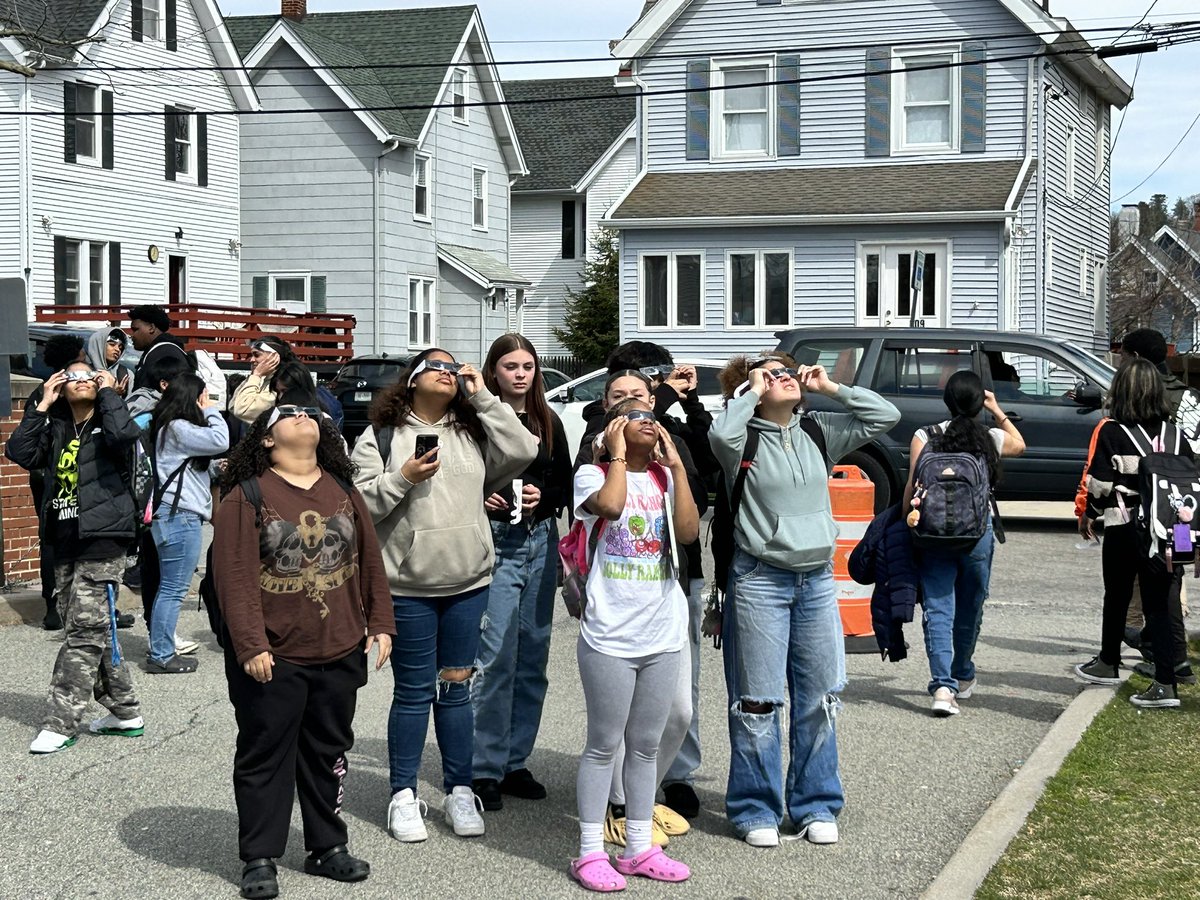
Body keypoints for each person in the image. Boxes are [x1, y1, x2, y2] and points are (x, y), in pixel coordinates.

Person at [710, 353, 900, 847]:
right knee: (757, 702)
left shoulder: (818, 432)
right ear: (752, 385)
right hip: (758, 579)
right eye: (770, 373)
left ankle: (815, 804)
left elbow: (885, 416)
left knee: (820, 696)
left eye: (787, 371)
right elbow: (718, 437)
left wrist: (832, 388)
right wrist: (749, 390)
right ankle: (756, 808)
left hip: (815, 580)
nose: (784, 378)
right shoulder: (742, 437)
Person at [351, 348, 537, 842]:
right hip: (408, 585)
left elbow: (524, 450)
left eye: (456, 369)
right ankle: (404, 795)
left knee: (457, 689)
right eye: (436, 366)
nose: (449, 373)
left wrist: (483, 398)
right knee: (413, 692)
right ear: (411, 380)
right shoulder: (381, 437)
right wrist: (403, 478)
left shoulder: (474, 429)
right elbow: (359, 504)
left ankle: (458, 789)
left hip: (468, 581)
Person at [214, 405, 394, 899]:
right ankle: (259, 856)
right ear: (267, 439)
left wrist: (380, 621)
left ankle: (326, 847)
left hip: (339, 648)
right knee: (265, 756)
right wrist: (250, 643)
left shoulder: (342, 488)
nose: (302, 416)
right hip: (274, 654)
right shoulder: (247, 496)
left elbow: (368, 560)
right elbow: (234, 576)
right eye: (287, 414)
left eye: (309, 412)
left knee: (329, 751)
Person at [569, 398, 698, 892]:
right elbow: (612, 506)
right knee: (604, 745)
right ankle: (589, 852)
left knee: (645, 747)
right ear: (614, 430)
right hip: (610, 633)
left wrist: (678, 468)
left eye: (653, 417)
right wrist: (616, 452)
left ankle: (639, 847)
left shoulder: (665, 480)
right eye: (636, 417)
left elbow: (688, 532)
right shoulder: (591, 475)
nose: (651, 423)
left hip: (662, 631)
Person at [6, 361, 145, 754]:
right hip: (64, 541)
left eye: (89, 375)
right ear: (61, 386)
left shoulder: (111, 420)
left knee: (84, 632)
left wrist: (108, 394)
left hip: (104, 540)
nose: (81, 380)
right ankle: (125, 709)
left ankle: (60, 721)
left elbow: (125, 436)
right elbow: (18, 451)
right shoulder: (56, 428)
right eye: (72, 377)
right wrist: (41, 405)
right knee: (85, 630)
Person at [471, 334, 572, 810]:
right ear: (493, 372)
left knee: (533, 655)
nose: (520, 374)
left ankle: (516, 761)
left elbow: (564, 484)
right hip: (494, 539)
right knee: (495, 657)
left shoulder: (548, 421)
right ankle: (484, 767)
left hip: (540, 540)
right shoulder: (475, 420)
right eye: (509, 366)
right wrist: (483, 495)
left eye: (527, 366)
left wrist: (540, 499)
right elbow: (460, 477)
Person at [901, 371, 1026, 716]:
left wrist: (905, 524)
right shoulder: (990, 436)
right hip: (977, 533)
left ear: (946, 400)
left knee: (938, 606)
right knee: (970, 605)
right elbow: (1021, 443)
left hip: (932, 533)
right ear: (976, 402)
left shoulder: (924, 435)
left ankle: (943, 687)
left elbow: (912, 489)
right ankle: (963, 672)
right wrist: (996, 407)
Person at [1075, 358, 1195, 709]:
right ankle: (1170, 672)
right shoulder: (1176, 434)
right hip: (1177, 528)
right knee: (1164, 600)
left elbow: (1099, 485)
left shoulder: (1113, 430)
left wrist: (1090, 515)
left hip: (1128, 524)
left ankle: (1113, 662)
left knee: (1118, 593)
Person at [145, 373, 230, 674]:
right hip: (179, 516)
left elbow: (189, 469)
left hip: (174, 514)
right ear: (192, 397)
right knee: (172, 589)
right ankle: (162, 654)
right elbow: (221, 439)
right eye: (201, 396)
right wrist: (210, 409)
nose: (204, 401)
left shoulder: (172, 429)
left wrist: (216, 468)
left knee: (169, 587)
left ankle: (161, 650)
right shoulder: (178, 427)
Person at [24, 334, 86, 631]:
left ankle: (58, 606)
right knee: (55, 537)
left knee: (53, 537)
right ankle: (54, 605)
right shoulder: (58, 392)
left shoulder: (42, 389)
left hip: (44, 474)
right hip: (52, 473)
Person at [230, 337, 297, 424]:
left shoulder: (282, 383)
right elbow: (233, 406)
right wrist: (254, 376)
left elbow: (241, 410)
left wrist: (256, 375)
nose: (251, 360)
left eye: (256, 355)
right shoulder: (263, 378)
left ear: (273, 357)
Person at [129, 305, 190, 392]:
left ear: (151, 328)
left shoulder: (161, 354)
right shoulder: (164, 350)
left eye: (135, 330)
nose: (132, 336)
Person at [85, 326, 133, 396]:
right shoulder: (84, 373)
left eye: (120, 347)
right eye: (112, 344)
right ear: (99, 345)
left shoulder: (126, 375)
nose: (117, 350)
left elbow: (131, 405)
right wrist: (111, 393)